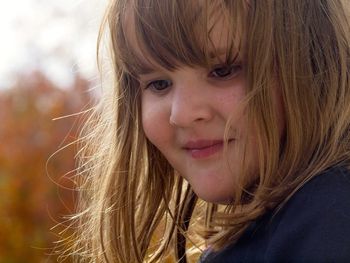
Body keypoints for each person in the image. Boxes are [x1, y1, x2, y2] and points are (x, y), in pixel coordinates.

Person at [68, 0, 350, 262]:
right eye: (159, 84)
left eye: (223, 70)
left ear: (313, 61)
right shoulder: (264, 234)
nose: (182, 114)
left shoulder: (329, 224)